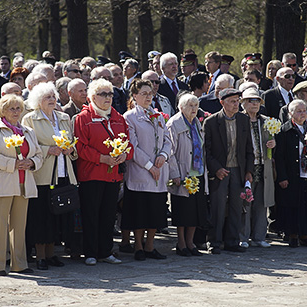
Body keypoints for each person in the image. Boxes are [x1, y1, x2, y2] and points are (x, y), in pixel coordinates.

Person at [0, 94, 43, 276]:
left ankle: (19, 264)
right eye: (11, 108)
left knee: (19, 225)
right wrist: (12, 164)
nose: (16, 112)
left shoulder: (28, 131)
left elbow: (39, 155)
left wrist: (31, 163)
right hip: (2, 183)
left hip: (24, 183)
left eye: (18, 108)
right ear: (2, 110)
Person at [74, 78, 133, 266]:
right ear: (92, 97)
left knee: (109, 214)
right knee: (91, 214)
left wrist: (124, 155)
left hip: (113, 175)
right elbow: (80, 147)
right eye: (103, 94)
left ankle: (106, 251)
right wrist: (102, 158)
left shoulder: (118, 117)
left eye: (110, 94)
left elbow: (129, 144)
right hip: (91, 174)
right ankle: (90, 252)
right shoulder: (83, 118)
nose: (108, 98)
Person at [22, 82, 78, 270]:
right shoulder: (30, 119)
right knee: (41, 216)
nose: (52, 100)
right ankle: (40, 256)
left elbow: (72, 142)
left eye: (53, 96)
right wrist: (49, 149)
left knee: (57, 216)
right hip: (42, 174)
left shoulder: (63, 117)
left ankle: (52, 253)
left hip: (63, 172)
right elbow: (28, 146)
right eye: (47, 97)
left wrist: (70, 148)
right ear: (38, 101)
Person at [122, 79, 171, 261]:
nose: (148, 97)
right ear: (135, 96)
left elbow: (168, 139)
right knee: (140, 212)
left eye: (150, 93)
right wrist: (150, 166)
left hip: (158, 171)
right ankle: (139, 247)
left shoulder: (158, 116)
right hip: (141, 172)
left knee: (155, 211)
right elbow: (133, 146)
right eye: (144, 93)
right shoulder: (130, 117)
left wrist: (164, 156)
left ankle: (150, 245)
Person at [203, 88, 254, 254]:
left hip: (238, 170)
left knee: (236, 206)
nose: (236, 104)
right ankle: (214, 242)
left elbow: (249, 149)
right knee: (217, 207)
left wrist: (248, 171)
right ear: (222, 103)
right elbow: (207, 151)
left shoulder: (243, 120)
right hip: (220, 170)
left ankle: (232, 241)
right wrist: (216, 169)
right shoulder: (211, 122)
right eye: (232, 101)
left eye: (237, 101)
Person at [275, 99, 307, 247]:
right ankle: (292, 234)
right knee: (292, 204)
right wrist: (282, 177)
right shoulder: (284, 130)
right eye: (299, 111)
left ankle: (306, 234)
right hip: (292, 174)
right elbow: (279, 157)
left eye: (304, 110)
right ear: (291, 113)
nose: (303, 114)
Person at [167, 93, 207, 257]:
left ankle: (190, 243)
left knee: (195, 211)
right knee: (183, 211)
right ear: (181, 107)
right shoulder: (174, 124)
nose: (193, 109)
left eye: (196, 105)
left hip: (197, 173)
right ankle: (181, 243)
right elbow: (170, 152)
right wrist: (175, 174)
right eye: (190, 105)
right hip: (182, 174)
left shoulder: (197, 122)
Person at [239, 88, 275, 248]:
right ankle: (243, 237)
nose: (254, 104)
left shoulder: (267, 121)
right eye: (250, 101)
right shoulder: (239, 120)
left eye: (257, 101)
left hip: (263, 166)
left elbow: (273, 141)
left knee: (262, 202)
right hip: (247, 167)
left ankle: (259, 237)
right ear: (243, 104)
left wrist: (274, 143)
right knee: (245, 203)